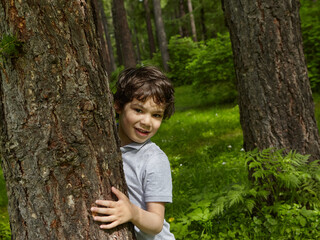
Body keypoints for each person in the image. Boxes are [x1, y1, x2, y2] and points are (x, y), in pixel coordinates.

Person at [91, 66, 175, 239]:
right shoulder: (101, 140)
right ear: (119, 106)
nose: (147, 122)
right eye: (138, 110)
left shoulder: (154, 160)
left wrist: (132, 212)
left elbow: (156, 224)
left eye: (156, 115)